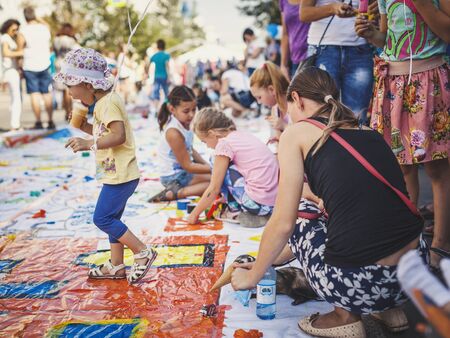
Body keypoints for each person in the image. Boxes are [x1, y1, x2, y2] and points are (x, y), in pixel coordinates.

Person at [231, 68, 426, 337]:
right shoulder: (368, 130)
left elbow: (284, 223)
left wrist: (251, 278)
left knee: (304, 215)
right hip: (414, 274)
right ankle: (387, 309)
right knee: (333, 214)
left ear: (297, 99)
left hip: (363, 281)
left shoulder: (297, 133)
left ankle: (345, 315)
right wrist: (268, 260)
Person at [355, 0, 450, 271]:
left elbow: (448, 33)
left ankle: (441, 244)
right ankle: (410, 241)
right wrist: (371, 34)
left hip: (429, 79)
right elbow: (387, 40)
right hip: (395, 83)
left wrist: (422, 4)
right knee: (402, 167)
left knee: (437, 167)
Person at [55, 48, 157, 284]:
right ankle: (116, 265)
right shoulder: (103, 103)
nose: (70, 93)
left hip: (121, 174)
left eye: (71, 86)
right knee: (113, 219)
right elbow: (105, 132)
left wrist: (89, 143)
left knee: (102, 218)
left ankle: (142, 251)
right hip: (117, 172)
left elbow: (118, 136)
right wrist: (84, 127)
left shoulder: (107, 103)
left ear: (89, 85)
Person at [187, 108, 279, 227]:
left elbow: (214, 188)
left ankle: (234, 210)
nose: (208, 146)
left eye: (205, 142)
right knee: (224, 163)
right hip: (275, 202)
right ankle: (239, 205)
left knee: (215, 160)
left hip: (258, 205)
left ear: (211, 134)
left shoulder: (224, 144)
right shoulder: (240, 135)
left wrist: (195, 214)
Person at [300, 0, 376, 123]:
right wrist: (332, 8)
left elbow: (375, 8)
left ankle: (352, 142)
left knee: (356, 117)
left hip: (359, 48)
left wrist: (374, 13)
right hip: (323, 49)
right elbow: (304, 13)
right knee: (322, 114)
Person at [149, 85, 211, 202]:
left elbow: (190, 150)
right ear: (172, 109)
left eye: (194, 109)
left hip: (182, 172)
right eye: (186, 111)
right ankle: (176, 193)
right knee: (215, 184)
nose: (192, 115)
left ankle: (178, 190)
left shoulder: (185, 123)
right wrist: (213, 168)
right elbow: (188, 165)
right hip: (172, 177)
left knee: (217, 178)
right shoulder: (173, 132)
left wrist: (209, 165)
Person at [21, 7, 54, 129]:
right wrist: (38, 18)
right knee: (47, 93)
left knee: (35, 94)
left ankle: (39, 122)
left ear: (24, 17)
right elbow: (47, 25)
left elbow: (20, 49)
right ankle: (50, 121)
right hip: (45, 64)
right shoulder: (44, 28)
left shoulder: (23, 30)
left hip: (29, 65)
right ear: (34, 16)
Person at [250, 62, 290, 149]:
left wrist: (284, 126)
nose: (259, 102)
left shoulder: (294, 105)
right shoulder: (275, 110)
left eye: (259, 97)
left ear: (271, 89)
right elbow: (280, 143)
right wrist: (277, 139)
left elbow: (307, 135)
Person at [53, 23, 80, 120]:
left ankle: (66, 112)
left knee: (63, 91)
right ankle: (70, 112)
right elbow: (77, 52)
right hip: (69, 66)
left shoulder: (56, 39)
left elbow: (55, 52)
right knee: (69, 90)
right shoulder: (71, 40)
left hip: (58, 64)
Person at [0, 19, 24, 131]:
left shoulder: (7, 38)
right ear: (7, 27)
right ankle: (15, 125)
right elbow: (6, 53)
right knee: (16, 98)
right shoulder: (5, 38)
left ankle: (15, 123)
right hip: (10, 70)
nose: (15, 31)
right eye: (14, 29)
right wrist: (22, 53)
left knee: (14, 98)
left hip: (10, 70)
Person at [279, 0, 310, 79]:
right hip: (296, 59)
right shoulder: (283, 1)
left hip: (315, 55)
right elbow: (285, 34)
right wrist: (283, 65)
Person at [149, 39, 170, 106]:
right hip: (164, 76)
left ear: (157, 46)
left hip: (157, 77)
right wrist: (169, 77)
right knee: (166, 94)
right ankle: (168, 108)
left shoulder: (154, 56)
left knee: (156, 94)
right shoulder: (166, 55)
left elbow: (149, 63)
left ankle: (156, 110)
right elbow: (167, 67)